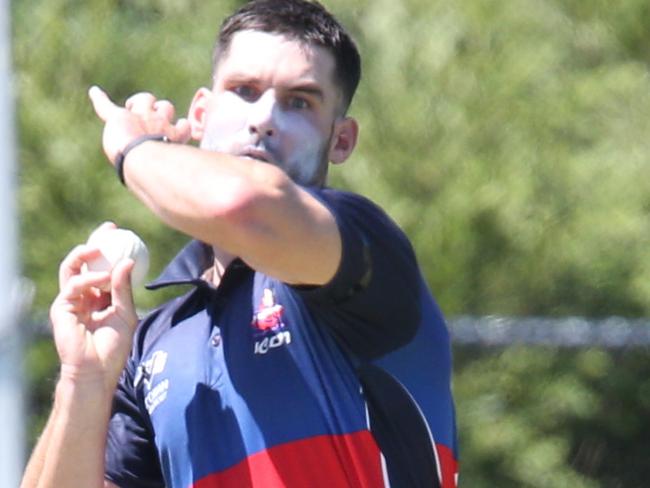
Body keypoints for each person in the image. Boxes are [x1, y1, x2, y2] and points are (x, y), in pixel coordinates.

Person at [21, 0, 458, 487]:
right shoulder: (151, 343)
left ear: (341, 140)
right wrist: (86, 379)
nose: (265, 119)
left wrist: (134, 152)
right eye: (244, 91)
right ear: (201, 114)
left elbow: (244, 205)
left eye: (300, 102)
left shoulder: (360, 243)